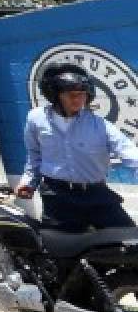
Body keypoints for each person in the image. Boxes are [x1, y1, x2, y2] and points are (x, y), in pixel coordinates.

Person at [17, 63, 138, 231]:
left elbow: (129, 152)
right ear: (55, 95)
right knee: (60, 252)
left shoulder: (100, 125)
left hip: (96, 195)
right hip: (57, 196)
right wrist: (29, 182)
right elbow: (34, 156)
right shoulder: (35, 119)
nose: (78, 100)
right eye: (71, 95)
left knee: (129, 241)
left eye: (82, 95)